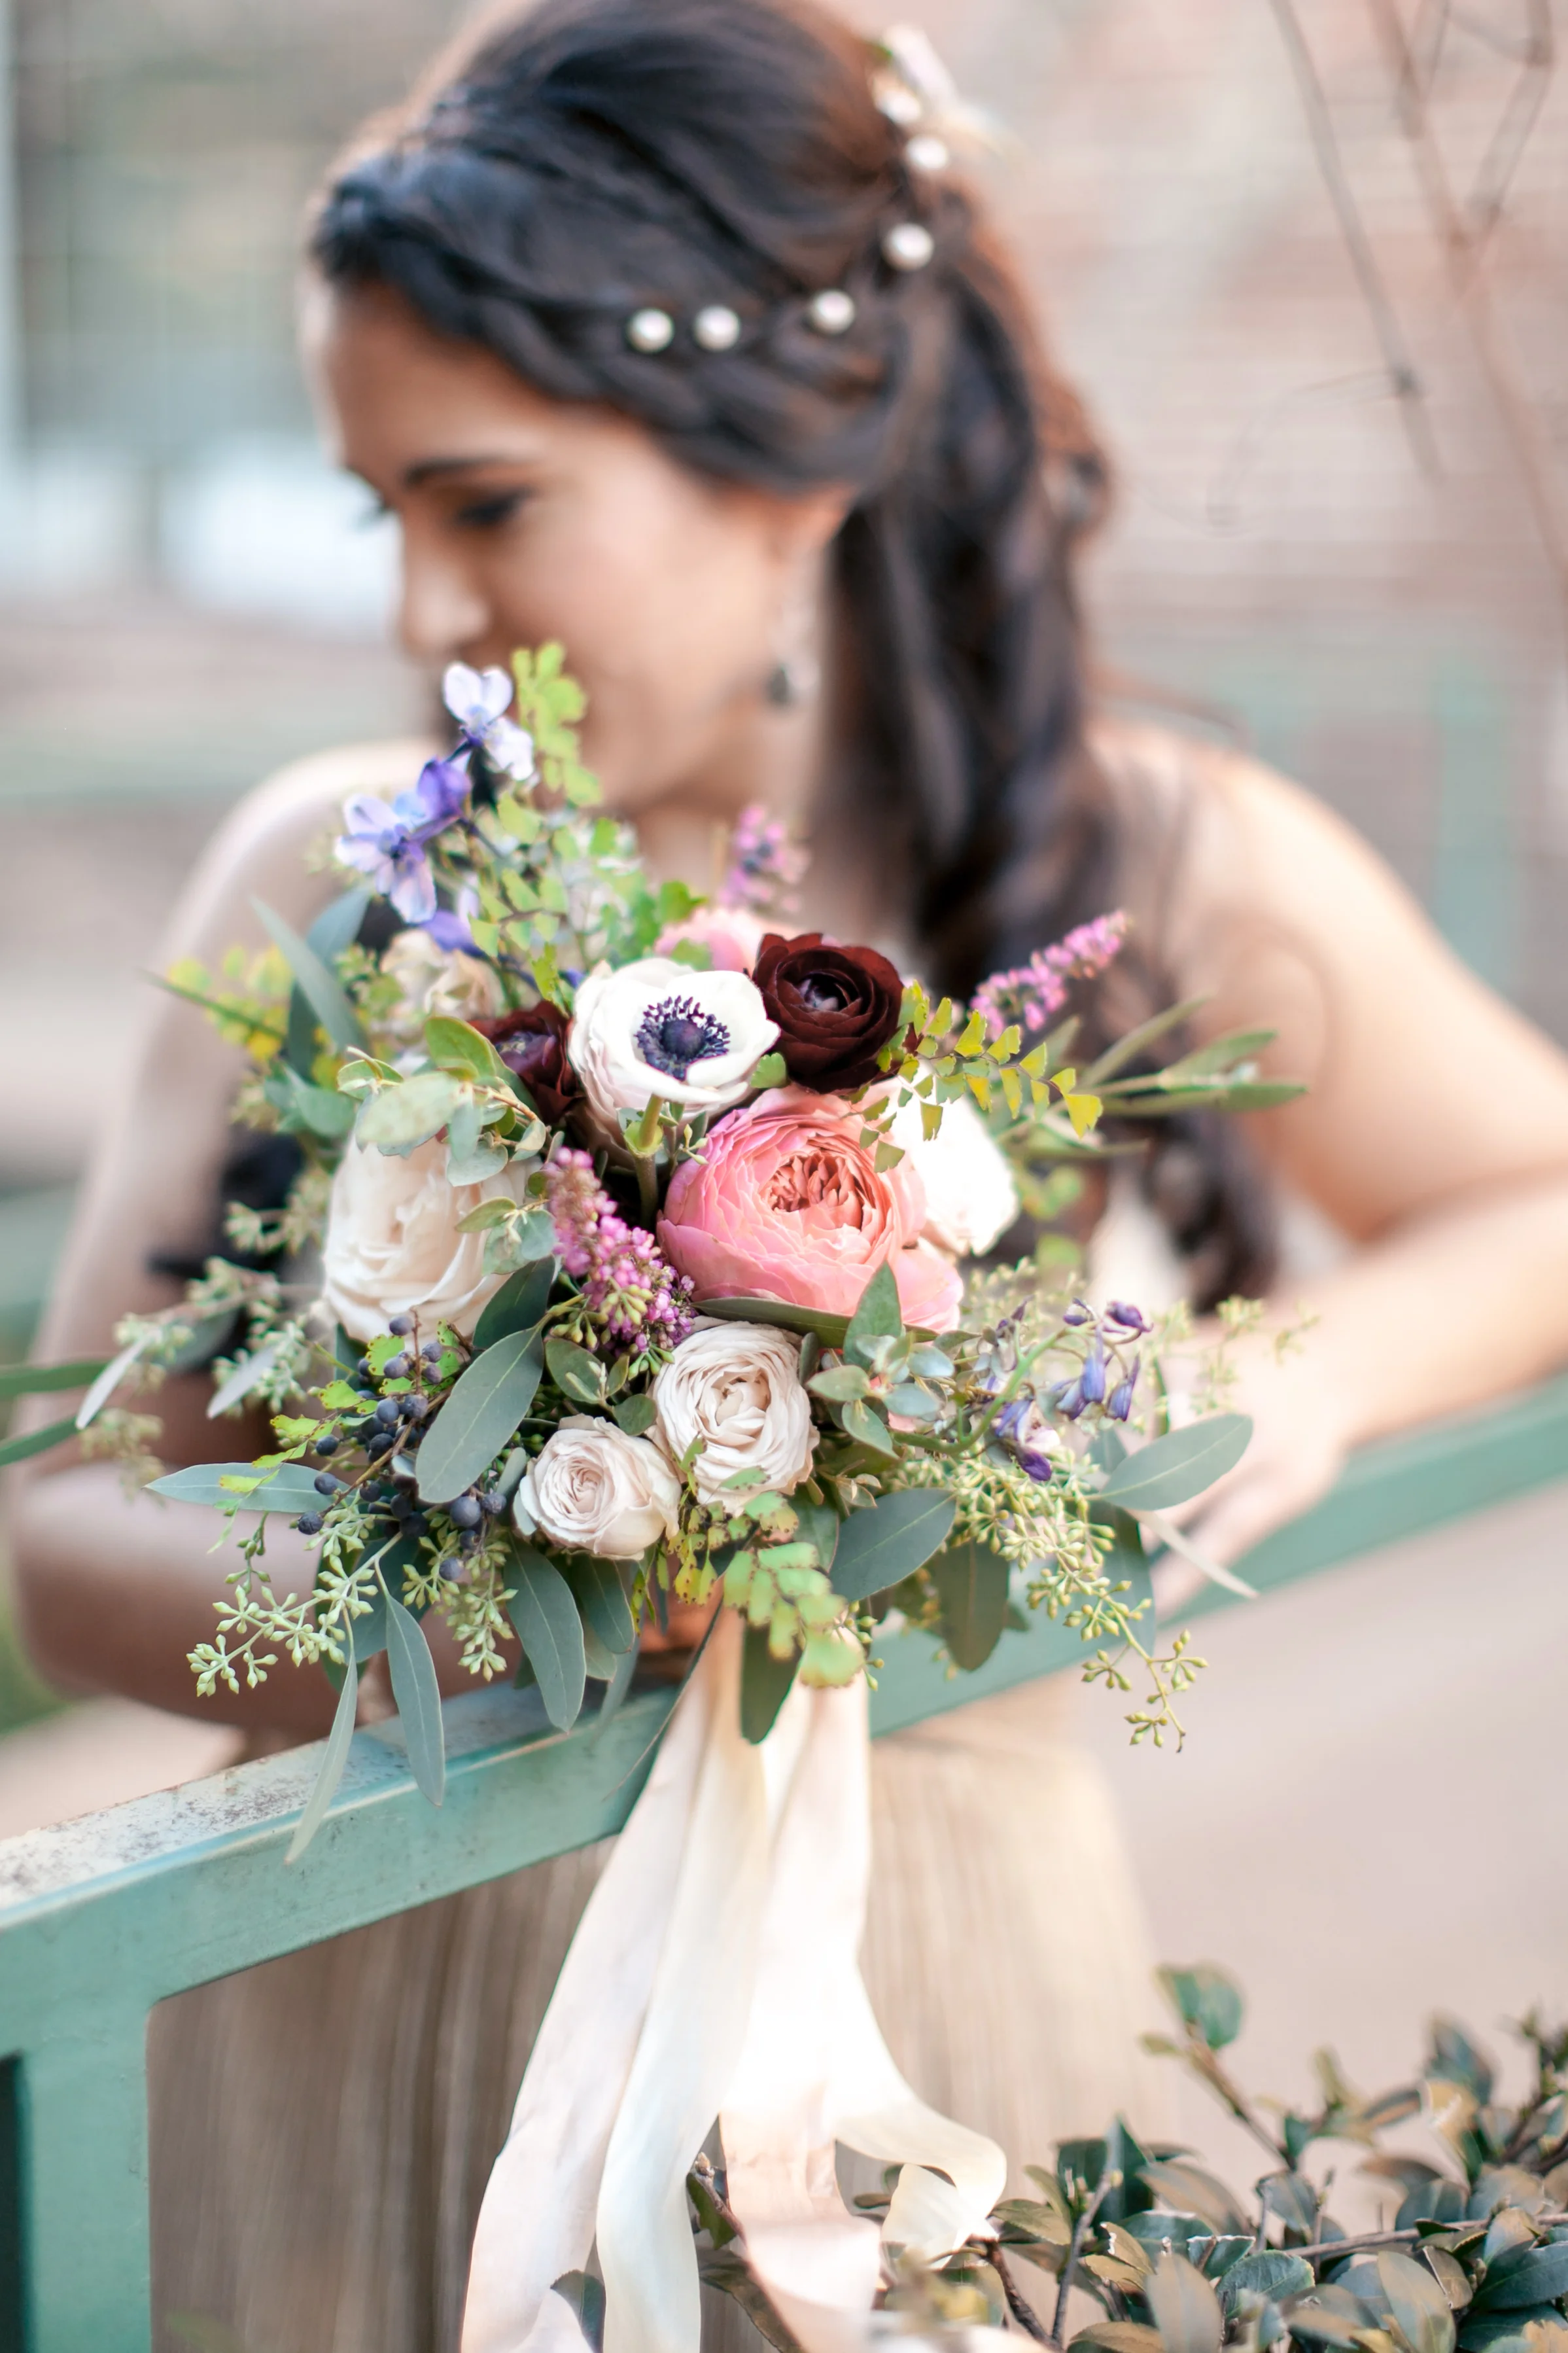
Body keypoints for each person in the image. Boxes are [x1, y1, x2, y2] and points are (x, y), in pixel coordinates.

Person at [12, 0, 1568, 2345]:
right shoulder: (322, 880)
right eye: (378, 512)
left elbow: (1536, 1191)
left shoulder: (1134, 857)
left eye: (485, 505)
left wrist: (1300, 1371)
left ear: (798, 460)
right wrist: (509, 1594)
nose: (422, 617)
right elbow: (67, 1533)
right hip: (355, 2019)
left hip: (906, 2009)